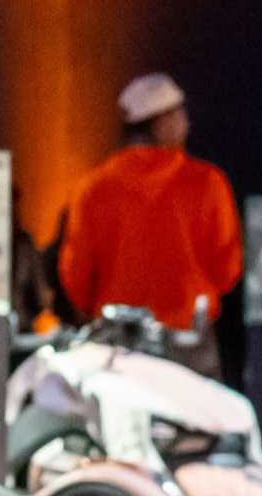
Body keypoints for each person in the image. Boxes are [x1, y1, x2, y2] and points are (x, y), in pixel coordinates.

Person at [54, 72, 242, 341]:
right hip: (188, 340)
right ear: (161, 121)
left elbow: (75, 275)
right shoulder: (207, 183)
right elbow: (228, 269)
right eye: (179, 114)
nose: (186, 123)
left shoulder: (92, 188)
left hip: (116, 343)